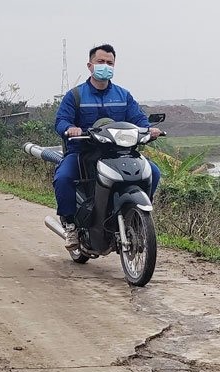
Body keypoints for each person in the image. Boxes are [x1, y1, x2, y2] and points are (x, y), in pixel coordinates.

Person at [54, 44, 162, 250]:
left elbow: (138, 118)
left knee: (153, 173)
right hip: (83, 152)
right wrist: (70, 128)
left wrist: (149, 129)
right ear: (90, 65)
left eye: (109, 63)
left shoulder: (123, 95)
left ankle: (137, 215)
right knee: (63, 178)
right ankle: (70, 225)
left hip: (120, 152)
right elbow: (61, 122)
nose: (105, 66)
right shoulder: (75, 95)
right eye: (101, 62)